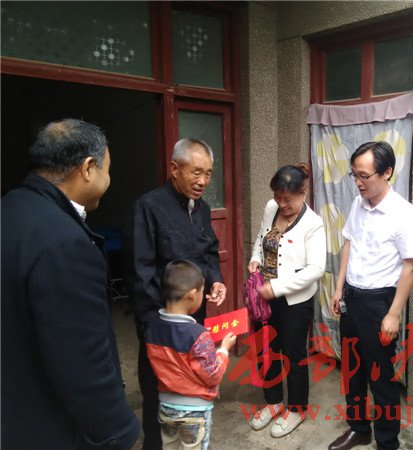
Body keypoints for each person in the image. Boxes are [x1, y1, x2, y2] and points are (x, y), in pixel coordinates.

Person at [1, 119, 140, 449]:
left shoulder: (11, 209)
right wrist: (118, 433)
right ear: (88, 168)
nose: (109, 179)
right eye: (108, 170)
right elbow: (83, 363)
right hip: (50, 427)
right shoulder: (66, 244)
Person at [124, 138, 226, 449]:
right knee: (157, 386)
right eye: (196, 172)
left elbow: (209, 252)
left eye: (208, 174)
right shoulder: (148, 207)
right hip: (160, 321)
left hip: (194, 318)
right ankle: (155, 443)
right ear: (174, 169)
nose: (203, 181)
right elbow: (139, 271)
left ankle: (189, 436)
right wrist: (152, 324)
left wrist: (215, 281)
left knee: (192, 378)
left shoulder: (203, 209)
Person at [328, 141, 413, 450]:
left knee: (380, 378)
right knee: (352, 370)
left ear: (387, 172)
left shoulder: (404, 213)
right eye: (354, 175)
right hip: (351, 298)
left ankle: (387, 442)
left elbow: (410, 267)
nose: (358, 182)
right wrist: (339, 288)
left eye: (364, 176)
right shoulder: (358, 204)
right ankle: (358, 429)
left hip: (379, 304)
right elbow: (349, 244)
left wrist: (393, 314)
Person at [247, 164, 326, 437]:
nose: (282, 204)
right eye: (278, 197)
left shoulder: (313, 224)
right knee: (266, 351)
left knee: (293, 355)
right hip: (264, 298)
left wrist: (277, 287)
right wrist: (255, 259)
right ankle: (273, 402)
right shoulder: (272, 207)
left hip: (295, 302)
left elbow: (316, 269)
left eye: (288, 199)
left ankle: (297, 409)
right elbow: (261, 239)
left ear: (303, 193)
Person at [145, 260, 236, 450]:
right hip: (194, 411)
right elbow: (213, 375)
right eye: (202, 292)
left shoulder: (152, 328)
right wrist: (223, 350)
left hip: (165, 407)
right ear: (192, 295)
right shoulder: (197, 334)